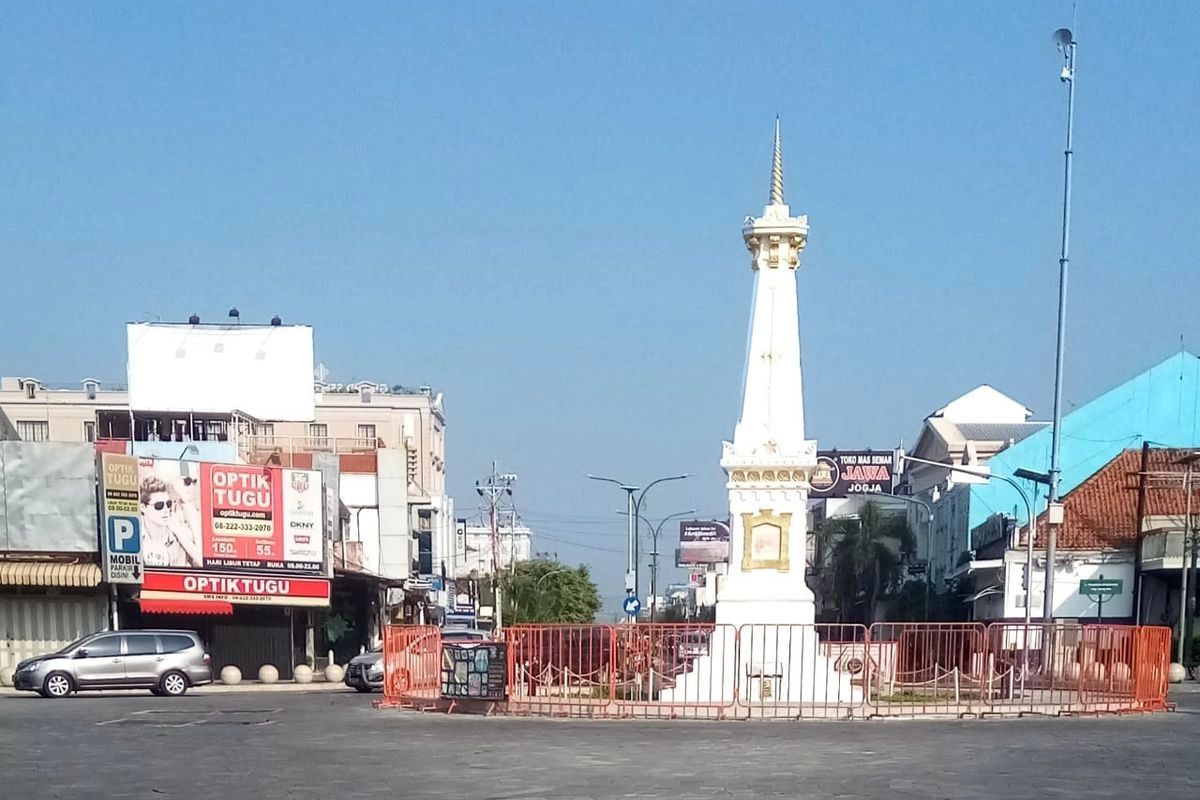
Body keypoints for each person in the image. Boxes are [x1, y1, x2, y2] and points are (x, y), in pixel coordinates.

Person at [139, 475, 203, 568]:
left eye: (168, 504)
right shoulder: (134, 534)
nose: (165, 509)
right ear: (143, 507)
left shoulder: (181, 534)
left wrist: (179, 531)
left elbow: (204, 563)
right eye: (159, 505)